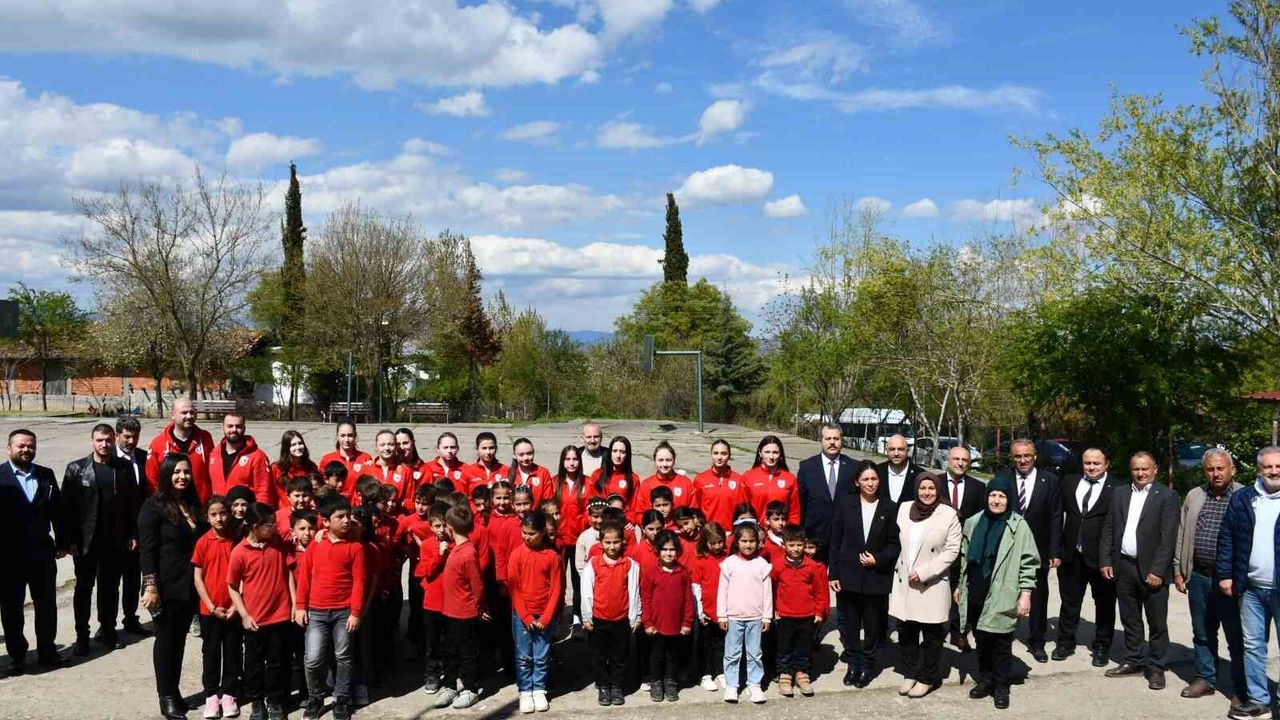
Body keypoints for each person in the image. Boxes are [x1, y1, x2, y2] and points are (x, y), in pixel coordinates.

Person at [956, 476, 1040, 710]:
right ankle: (986, 680)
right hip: (976, 591)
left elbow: (1029, 562)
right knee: (981, 641)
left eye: (1001, 496)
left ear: (1009, 499)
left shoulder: (1018, 525)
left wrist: (1025, 594)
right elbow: (964, 557)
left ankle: (1001, 687)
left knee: (1001, 644)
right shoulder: (973, 522)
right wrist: (959, 586)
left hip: (1003, 592)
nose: (996, 500)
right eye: (992, 495)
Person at [1100, 451, 1179, 690]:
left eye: (1145, 468)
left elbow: (1168, 537)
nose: (1141, 473)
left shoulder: (1167, 496)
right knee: (1130, 618)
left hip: (1152, 570)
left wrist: (1158, 570)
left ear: (1155, 469)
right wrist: (1106, 560)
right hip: (1124, 565)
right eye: (1136, 469)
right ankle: (1133, 660)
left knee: (1157, 622)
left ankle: (1156, 666)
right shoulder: (1120, 493)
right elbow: (1109, 527)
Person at [1173, 448, 1244, 706]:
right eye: (1210, 469)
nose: (1216, 473)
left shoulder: (1244, 496)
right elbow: (1182, 532)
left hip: (1232, 581)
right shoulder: (1195, 495)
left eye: (1220, 468)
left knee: (1237, 636)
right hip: (1200, 577)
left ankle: (1243, 688)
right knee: (1202, 632)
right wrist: (1179, 569)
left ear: (1232, 469)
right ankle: (1205, 678)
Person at [62, 423, 141, 655]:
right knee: (83, 589)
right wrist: (68, 541)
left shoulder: (124, 468)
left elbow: (133, 505)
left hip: (114, 541)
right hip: (85, 543)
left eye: (108, 440)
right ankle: (82, 637)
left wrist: (133, 534)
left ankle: (108, 630)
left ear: (113, 441)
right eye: (99, 440)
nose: (104, 444)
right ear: (92, 441)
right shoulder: (76, 469)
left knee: (110, 589)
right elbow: (67, 508)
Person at [139, 453, 206, 719]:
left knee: (178, 642)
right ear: (167, 474)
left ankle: (174, 691)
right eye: (177, 472)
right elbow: (147, 551)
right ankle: (166, 697)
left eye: (186, 472)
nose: (182, 477)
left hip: (189, 585)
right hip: (165, 587)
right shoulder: (153, 506)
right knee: (166, 642)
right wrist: (151, 586)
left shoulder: (192, 504)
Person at [1216, 446, 1280, 719]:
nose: (1274, 471)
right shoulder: (1243, 498)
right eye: (1268, 467)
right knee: (1253, 646)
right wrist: (1225, 575)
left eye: (1278, 466)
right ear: (1259, 469)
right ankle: (1259, 701)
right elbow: (1227, 537)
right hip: (1251, 588)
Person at [827, 458, 900, 687]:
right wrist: (833, 573)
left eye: (874, 478)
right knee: (849, 624)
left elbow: (894, 543)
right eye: (865, 479)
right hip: (848, 574)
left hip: (875, 577)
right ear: (857, 482)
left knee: (872, 625)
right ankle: (853, 663)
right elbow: (836, 539)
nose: (870, 483)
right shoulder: (845, 503)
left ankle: (868, 664)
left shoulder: (889, 507)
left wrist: (878, 559)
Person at [0, 428, 66, 675]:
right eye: (21, 446)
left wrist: (63, 541)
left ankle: (48, 651)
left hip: (41, 554)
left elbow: (57, 511)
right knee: (11, 608)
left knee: (46, 605)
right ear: (9, 448)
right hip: (8, 557)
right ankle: (17, 656)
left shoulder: (45, 474)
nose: (26, 450)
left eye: (30, 446)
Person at [889, 472, 962, 699]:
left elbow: (952, 550)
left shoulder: (948, 514)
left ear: (938, 490)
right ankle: (910, 672)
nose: (927, 492)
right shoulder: (904, 509)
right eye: (923, 488)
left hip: (932, 583)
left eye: (931, 488)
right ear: (916, 489)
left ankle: (927, 678)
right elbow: (894, 539)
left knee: (932, 635)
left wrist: (924, 572)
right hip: (905, 581)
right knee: (906, 632)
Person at [295, 496, 367, 720]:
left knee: (343, 656)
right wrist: (300, 606)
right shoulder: (315, 545)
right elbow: (305, 577)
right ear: (325, 521)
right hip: (316, 611)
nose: (346, 521)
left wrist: (355, 612)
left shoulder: (355, 548)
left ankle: (342, 698)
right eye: (340, 517)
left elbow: (359, 581)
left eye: (348, 516)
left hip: (343, 613)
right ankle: (316, 697)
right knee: (312, 658)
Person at [997, 439, 1063, 663]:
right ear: (1012, 458)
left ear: (1034, 456)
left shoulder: (1050, 480)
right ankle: (1003, 638)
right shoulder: (1002, 478)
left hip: (1039, 549)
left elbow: (1056, 517)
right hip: (1007, 548)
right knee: (1005, 594)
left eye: (1027, 455)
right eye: (1018, 456)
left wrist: (1055, 551)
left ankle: (1037, 641)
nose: (1022, 460)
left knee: (1038, 598)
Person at [228, 503, 295, 720]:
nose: (273, 528)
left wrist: (294, 603)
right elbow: (232, 586)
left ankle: (275, 700)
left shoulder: (278, 545)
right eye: (268, 525)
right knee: (254, 664)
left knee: (278, 661)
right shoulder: (239, 552)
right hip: (255, 619)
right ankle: (256, 700)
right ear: (254, 526)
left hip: (280, 615)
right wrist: (244, 615)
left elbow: (289, 573)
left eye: (274, 524)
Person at [1055, 447, 1121, 666]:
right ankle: (1065, 642)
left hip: (1101, 559)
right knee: (1069, 602)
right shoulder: (1069, 482)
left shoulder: (1117, 488)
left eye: (1096, 463)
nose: (1091, 467)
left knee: (1104, 604)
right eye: (1087, 463)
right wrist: (1057, 549)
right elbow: (1058, 515)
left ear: (1106, 464)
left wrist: (1110, 558)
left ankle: (1102, 646)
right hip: (1071, 555)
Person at [507, 512, 563, 713]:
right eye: (524, 532)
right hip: (522, 616)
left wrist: (547, 617)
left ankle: (539, 689)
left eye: (532, 533)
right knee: (523, 656)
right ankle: (525, 691)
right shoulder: (517, 555)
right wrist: (526, 616)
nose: (527, 537)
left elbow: (556, 589)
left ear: (542, 532)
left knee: (542, 656)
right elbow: (514, 588)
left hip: (544, 616)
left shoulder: (552, 557)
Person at [192, 496, 242, 720]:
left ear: (229, 514)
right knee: (211, 652)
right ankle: (211, 695)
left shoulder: (237, 541)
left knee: (232, 651)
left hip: (233, 609)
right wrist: (212, 607)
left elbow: (243, 575)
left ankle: (229, 693)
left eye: (223, 513)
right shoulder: (203, 542)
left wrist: (235, 606)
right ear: (207, 517)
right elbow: (197, 578)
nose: (219, 518)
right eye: (214, 514)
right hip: (209, 610)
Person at [581, 521, 640, 706]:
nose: (612, 546)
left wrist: (635, 616)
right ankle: (603, 686)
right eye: (608, 542)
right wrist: (587, 616)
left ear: (622, 542)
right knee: (599, 655)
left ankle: (616, 686)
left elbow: (634, 592)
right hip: (598, 619)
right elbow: (586, 592)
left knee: (619, 656)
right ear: (601, 543)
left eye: (616, 542)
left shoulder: (630, 564)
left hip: (621, 620)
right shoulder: (593, 564)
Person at [434, 505, 486, 710]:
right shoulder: (456, 548)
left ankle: (471, 688)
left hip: (465, 613)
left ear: (450, 527)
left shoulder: (468, 553)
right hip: (450, 611)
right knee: (449, 652)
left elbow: (477, 585)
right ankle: (450, 685)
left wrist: (479, 607)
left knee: (467, 654)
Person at [718, 522, 773, 705]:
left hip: (755, 617)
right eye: (744, 541)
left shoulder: (762, 564)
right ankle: (732, 685)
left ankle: (754, 684)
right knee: (732, 653)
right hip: (733, 617)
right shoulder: (729, 564)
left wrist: (766, 616)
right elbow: (722, 591)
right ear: (737, 542)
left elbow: (767, 593)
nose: (748, 545)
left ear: (758, 542)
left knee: (754, 653)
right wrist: (722, 615)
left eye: (751, 541)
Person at [771, 525, 827, 697]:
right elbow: (771, 589)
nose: (796, 549)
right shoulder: (777, 565)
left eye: (799, 545)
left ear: (804, 544)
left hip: (807, 615)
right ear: (784, 545)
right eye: (791, 545)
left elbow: (820, 591)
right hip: (784, 614)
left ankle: (802, 673)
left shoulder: (813, 566)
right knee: (784, 646)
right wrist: (773, 610)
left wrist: (819, 612)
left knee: (803, 645)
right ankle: (785, 674)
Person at [642, 529, 694, 703]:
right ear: (658, 550)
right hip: (656, 625)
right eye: (664, 549)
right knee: (656, 656)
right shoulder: (651, 572)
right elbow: (646, 598)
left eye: (672, 549)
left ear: (677, 551)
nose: (668, 553)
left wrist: (687, 622)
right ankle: (656, 682)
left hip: (676, 624)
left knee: (672, 656)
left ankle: (670, 681)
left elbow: (688, 599)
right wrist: (647, 622)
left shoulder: (683, 572)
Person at [941, 444, 985, 651]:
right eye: (956, 459)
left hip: (965, 548)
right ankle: (935, 631)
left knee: (960, 590)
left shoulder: (978, 487)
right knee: (938, 590)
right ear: (947, 461)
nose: (960, 463)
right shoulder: (935, 483)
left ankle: (959, 632)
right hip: (939, 547)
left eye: (965, 460)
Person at [797, 423, 856, 560]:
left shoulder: (853, 467)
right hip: (814, 537)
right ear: (820, 440)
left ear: (841, 440)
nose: (832, 442)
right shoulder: (807, 467)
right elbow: (801, 503)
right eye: (828, 438)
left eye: (836, 439)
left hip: (844, 537)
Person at [116, 415, 152, 636]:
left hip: (138, 531)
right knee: (110, 583)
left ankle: (131, 619)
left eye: (135, 437)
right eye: (127, 437)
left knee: (132, 579)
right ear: (117, 435)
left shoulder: (144, 458)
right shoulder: (107, 457)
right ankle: (106, 625)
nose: (131, 441)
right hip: (113, 531)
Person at [146, 397, 216, 502]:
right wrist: (161, 503)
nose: (189, 416)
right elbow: (152, 478)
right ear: (173, 415)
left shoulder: (205, 438)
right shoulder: (158, 443)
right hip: (171, 505)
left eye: (192, 412)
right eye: (184, 413)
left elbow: (213, 470)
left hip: (200, 503)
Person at [691, 522, 729, 692]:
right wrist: (700, 612)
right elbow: (696, 586)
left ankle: (720, 672)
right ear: (705, 543)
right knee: (705, 644)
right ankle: (705, 674)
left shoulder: (728, 558)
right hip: (706, 611)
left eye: (720, 542)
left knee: (722, 643)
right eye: (712, 543)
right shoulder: (700, 560)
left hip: (724, 610)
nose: (717, 546)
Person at [209, 414, 274, 507]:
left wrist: (260, 513)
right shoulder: (214, 454)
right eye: (230, 426)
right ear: (223, 427)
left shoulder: (258, 456)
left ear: (244, 428)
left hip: (244, 511)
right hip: (221, 512)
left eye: (238, 426)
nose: (234, 430)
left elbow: (263, 490)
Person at [694, 439, 750, 533]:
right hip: (709, 533)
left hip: (732, 533)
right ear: (711, 454)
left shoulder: (739, 480)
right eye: (716, 453)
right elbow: (696, 509)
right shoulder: (700, 479)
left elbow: (743, 510)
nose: (719, 457)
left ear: (729, 456)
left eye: (723, 453)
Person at [743, 435, 800, 524]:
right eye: (767, 452)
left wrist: (792, 530)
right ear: (760, 453)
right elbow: (743, 510)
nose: (771, 456)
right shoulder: (748, 476)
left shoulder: (790, 479)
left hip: (781, 530)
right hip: (756, 530)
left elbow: (794, 513)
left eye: (775, 452)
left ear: (780, 454)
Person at [318, 421, 372, 499]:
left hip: (357, 505)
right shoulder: (327, 459)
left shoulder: (365, 458)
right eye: (342, 435)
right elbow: (320, 486)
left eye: (350, 435)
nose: (346, 439)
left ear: (355, 436)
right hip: (335, 504)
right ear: (337, 437)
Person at [271, 430, 318, 508]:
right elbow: (270, 493)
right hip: (284, 511)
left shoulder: (311, 466)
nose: (298, 447)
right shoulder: (276, 468)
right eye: (293, 445)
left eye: (300, 443)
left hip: (306, 510)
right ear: (287, 448)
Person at [877, 434, 925, 505]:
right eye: (892, 449)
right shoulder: (877, 471)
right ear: (886, 451)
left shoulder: (920, 474)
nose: (896, 453)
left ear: (907, 451)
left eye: (900, 449)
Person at [508, 438, 555, 506]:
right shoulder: (507, 473)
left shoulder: (543, 473)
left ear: (533, 452)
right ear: (514, 455)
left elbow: (548, 501)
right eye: (521, 454)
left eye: (529, 453)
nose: (526, 458)